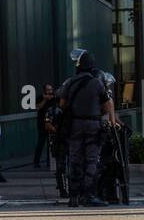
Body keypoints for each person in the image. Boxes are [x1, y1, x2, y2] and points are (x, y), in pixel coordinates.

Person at [58, 50, 113, 207]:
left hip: (74, 125)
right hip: (93, 126)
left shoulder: (70, 82)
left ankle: (73, 197)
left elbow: (62, 104)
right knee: (92, 160)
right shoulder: (97, 83)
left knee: (74, 160)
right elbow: (106, 104)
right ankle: (88, 195)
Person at [33, 83, 56, 167]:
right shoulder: (40, 97)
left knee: (52, 142)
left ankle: (49, 161)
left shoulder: (54, 97)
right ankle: (36, 162)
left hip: (51, 123)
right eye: (48, 90)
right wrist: (45, 100)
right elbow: (37, 108)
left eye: (51, 90)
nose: (50, 92)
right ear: (44, 91)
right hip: (42, 123)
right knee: (41, 142)